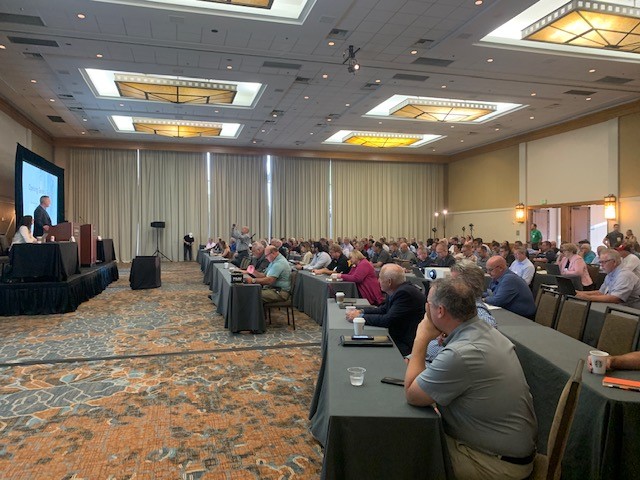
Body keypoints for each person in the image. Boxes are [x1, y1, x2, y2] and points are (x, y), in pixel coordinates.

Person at [404, 278, 538, 480]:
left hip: (494, 464)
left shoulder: (462, 353)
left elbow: (413, 395)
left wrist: (421, 338)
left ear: (439, 311)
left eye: (428, 306)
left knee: (407, 451)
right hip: (506, 450)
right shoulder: (485, 332)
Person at [345, 263, 425, 356]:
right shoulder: (398, 290)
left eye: (380, 278)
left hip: (404, 344)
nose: (378, 281)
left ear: (389, 281)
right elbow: (383, 309)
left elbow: (388, 320)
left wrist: (360, 317)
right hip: (399, 336)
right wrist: (361, 311)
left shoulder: (404, 293)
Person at [426, 260, 497, 364]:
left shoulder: (482, 319)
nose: (447, 284)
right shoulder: (453, 308)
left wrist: (422, 341)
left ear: (468, 287)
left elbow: (453, 358)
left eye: (452, 281)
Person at [575, 249, 640, 309]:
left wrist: (588, 297)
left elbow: (616, 298)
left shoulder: (625, 275)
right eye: (600, 262)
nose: (601, 265)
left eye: (604, 262)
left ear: (614, 262)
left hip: (631, 312)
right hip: (617, 308)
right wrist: (582, 293)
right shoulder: (610, 274)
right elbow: (601, 292)